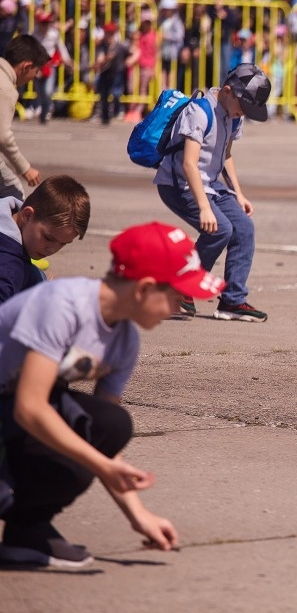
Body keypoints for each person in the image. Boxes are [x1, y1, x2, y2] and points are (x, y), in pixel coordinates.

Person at [0, 221, 225, 568]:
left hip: (8, 410)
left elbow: (103, 443)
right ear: (146, 288)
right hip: (13, 409)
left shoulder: (123, 341)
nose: (181, 306)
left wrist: (139, 515)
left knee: (110, 424)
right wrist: (100, 464)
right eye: (178, 294)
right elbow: (30, 408)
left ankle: (26, 530)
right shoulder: (63, 305)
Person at [154, 62, 271, 322]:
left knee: (244, 228)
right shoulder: (199, 111)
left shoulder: (233, 115)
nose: (244, 113)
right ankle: (181, 289)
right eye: (244, 105)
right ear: (228, 91)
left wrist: (238, 194)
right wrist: (205, 207)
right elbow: (188, 163)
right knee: (220, 229)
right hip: (179, 184)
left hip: (210, 184)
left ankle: (233, 300)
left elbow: (225, 155)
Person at [0, 175, 89, 303]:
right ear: (27, 215)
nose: (52, 249)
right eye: (48, 238)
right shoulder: (8, 270)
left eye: (63, 243)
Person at [0, 34, 48, 200]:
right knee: (12, 193)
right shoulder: (5, 89)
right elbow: (3, 137)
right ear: (26, 66)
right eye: (36, 71)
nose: (35, 77)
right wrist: (25, 168)